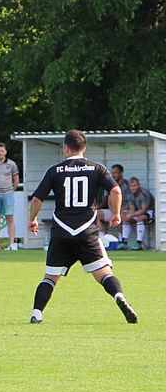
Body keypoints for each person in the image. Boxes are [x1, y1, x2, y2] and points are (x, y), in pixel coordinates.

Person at [27, 129, 137, 325]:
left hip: (61, 231)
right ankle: (119, 296)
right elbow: (116, 191)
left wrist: (32, 219)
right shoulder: (97, 169)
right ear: (84, 148)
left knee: (50, 277)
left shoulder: (55, 170)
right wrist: (116, 214)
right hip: (87, 231)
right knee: (104, 274)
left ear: (65, 148)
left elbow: (37, 199)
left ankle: (37, 314)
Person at [0, 142, 21, 250]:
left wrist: (11, 190)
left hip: (8, 194)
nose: (0, 153)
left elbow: (16, 179)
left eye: (2, 151)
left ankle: (11, 244)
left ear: (5, 152)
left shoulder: (11, 164)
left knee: (10, 217)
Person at [120, 177, 154, 250]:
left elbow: (144, 210)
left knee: (140, 218)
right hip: (138, 211)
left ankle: (139, 243)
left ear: (138, 185)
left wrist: (131, 215)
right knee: (125, 218)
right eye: (131, 186)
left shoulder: (144, 194)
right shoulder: (130, 195)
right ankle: (124, 242)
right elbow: (132, 208)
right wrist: (128, 215)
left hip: (150, 212)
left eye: (134, 186)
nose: (133, 188)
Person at [96, 164, 128, 235]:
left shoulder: (127, 186)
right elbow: (107, 201)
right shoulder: (109, 184)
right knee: (96, 215)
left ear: (121, 173)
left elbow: (131, 202)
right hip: (113, 210)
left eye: (115, 173)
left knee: (123, 215)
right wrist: (115, 212)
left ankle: (123, 239)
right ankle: (102, 237)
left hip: (125, 210)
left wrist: (121, 211)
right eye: (112, 173)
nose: (113, 175)